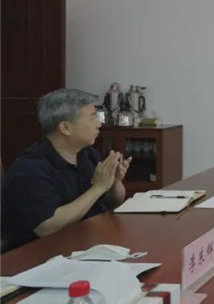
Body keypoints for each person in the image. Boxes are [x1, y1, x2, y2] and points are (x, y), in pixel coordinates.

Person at [1, 89, 131, 250]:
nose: (99, 124)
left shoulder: (88, 154)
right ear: (65, 128)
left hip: (87, 242)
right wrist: (98, 188)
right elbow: (47, 227)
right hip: (42, 254)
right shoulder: (29, 169)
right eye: (92, 118)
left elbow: (111, 202)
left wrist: (114, 182)